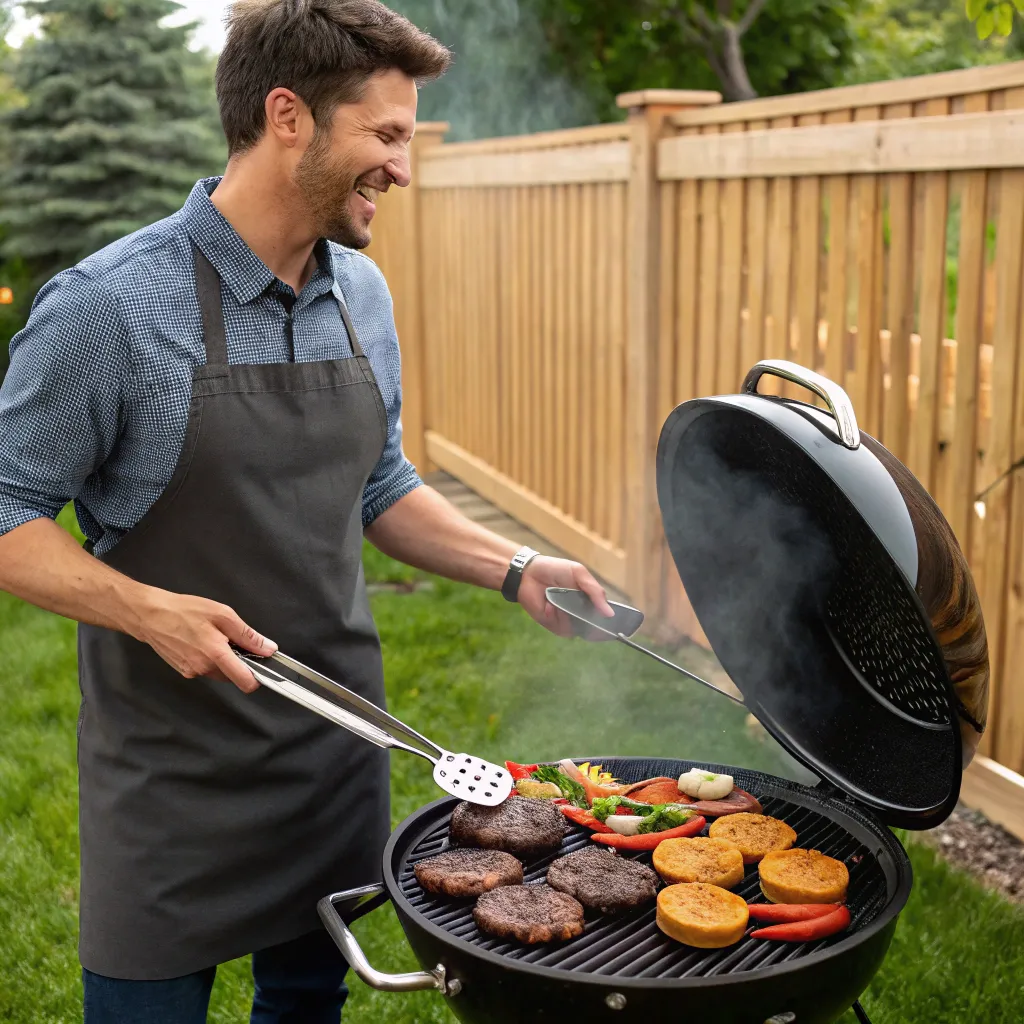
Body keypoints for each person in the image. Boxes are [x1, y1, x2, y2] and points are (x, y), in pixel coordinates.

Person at [0, 1, 612, 1021]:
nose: (403, 168)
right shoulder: (108, 307)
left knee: (305, 1008)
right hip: (169, 778)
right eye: (385, 135)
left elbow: (379, 486)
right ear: (289, 117)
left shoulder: (360, 295)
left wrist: (512, 567)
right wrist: (151, 609)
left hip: (333, 761)